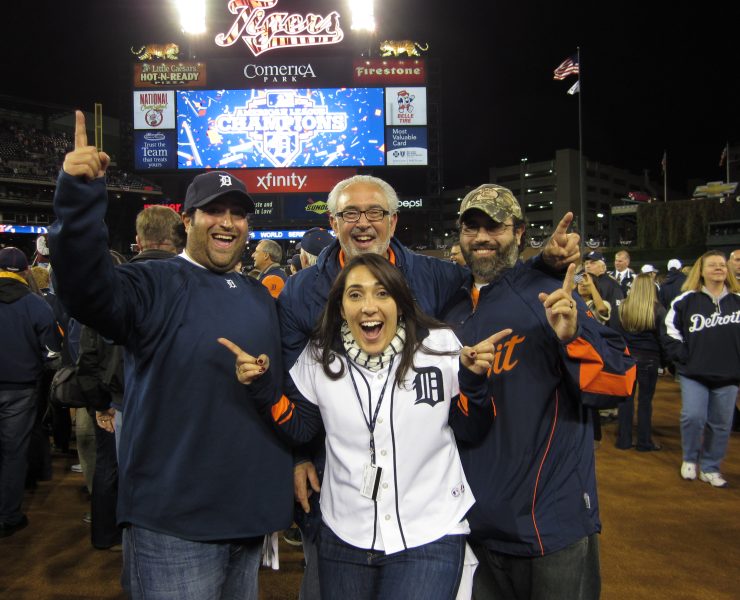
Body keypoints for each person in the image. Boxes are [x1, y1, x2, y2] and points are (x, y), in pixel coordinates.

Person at [278, 174, 581, 600]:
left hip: (423, 495)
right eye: (350, 213)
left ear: (393, 221)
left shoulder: (435, 276)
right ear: (333, 222)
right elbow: (297, 393)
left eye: (375, 213)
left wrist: (543, 266)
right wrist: (298, 457)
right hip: (339, 487)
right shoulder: (299, 291)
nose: (363, 223)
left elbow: (493, 280)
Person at [48, 111, 292, 599]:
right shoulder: (153, 281)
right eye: (213, 211)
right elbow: (85, 290)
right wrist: (77, 199)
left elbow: (277, 395)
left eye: (238, 213)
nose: (227, 222)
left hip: (247, 514)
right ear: (187, 220)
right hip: (174, 522)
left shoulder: (257, 295)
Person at [222, 253, 512, 600]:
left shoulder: (440, 345)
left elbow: (471, 428)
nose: (368, 306)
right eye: (355, 295)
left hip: (430, 530)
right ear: (341, 307)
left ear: (400, 303)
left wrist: (474, 383)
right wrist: (263, 388)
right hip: (345, 531)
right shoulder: (319, 356)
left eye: (382, 293)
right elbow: (301, 429)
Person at [442, 184, 636, 600]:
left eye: (494, 227)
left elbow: (618, 382)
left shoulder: (547, 296)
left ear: (520, 233)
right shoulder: (450, 310)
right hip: (473, 525)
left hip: (549, 522)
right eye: (471, 226)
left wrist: (573, 336)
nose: (481, 237)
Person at [664, 251, 740, 488]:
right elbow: (669, 331)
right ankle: (689, 458)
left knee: (721, 423)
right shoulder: (685, 300)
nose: (718, 268)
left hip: (729, 373)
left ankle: (710, 467)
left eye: (722, 265)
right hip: (694, 373)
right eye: (712, 265)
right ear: (701, 270)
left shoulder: (738, 300)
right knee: (693, 416)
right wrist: (683, 357)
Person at [0, 246, 61, 537]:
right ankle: (8, 516)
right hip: (20, 390)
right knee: (13, 453)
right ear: (26, 271)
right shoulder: (37, 305)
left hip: (18, 389)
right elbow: (52, 355)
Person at [614, 274, 667, 451]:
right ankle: (644, 442)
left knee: (625, 400)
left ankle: (624, 440)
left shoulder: (624, 307)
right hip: (649, 360)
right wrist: (665, 362)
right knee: (645, 401)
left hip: (627, 358)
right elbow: (663, 338)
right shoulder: (658, 309)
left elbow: (618, 336)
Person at [583, 250, 624, 329]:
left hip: (604, 331)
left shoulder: (612, 284)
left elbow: (615, 315)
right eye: (586, 263)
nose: (587, 266)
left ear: (603, 267)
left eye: (592, 263)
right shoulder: (582, 280)